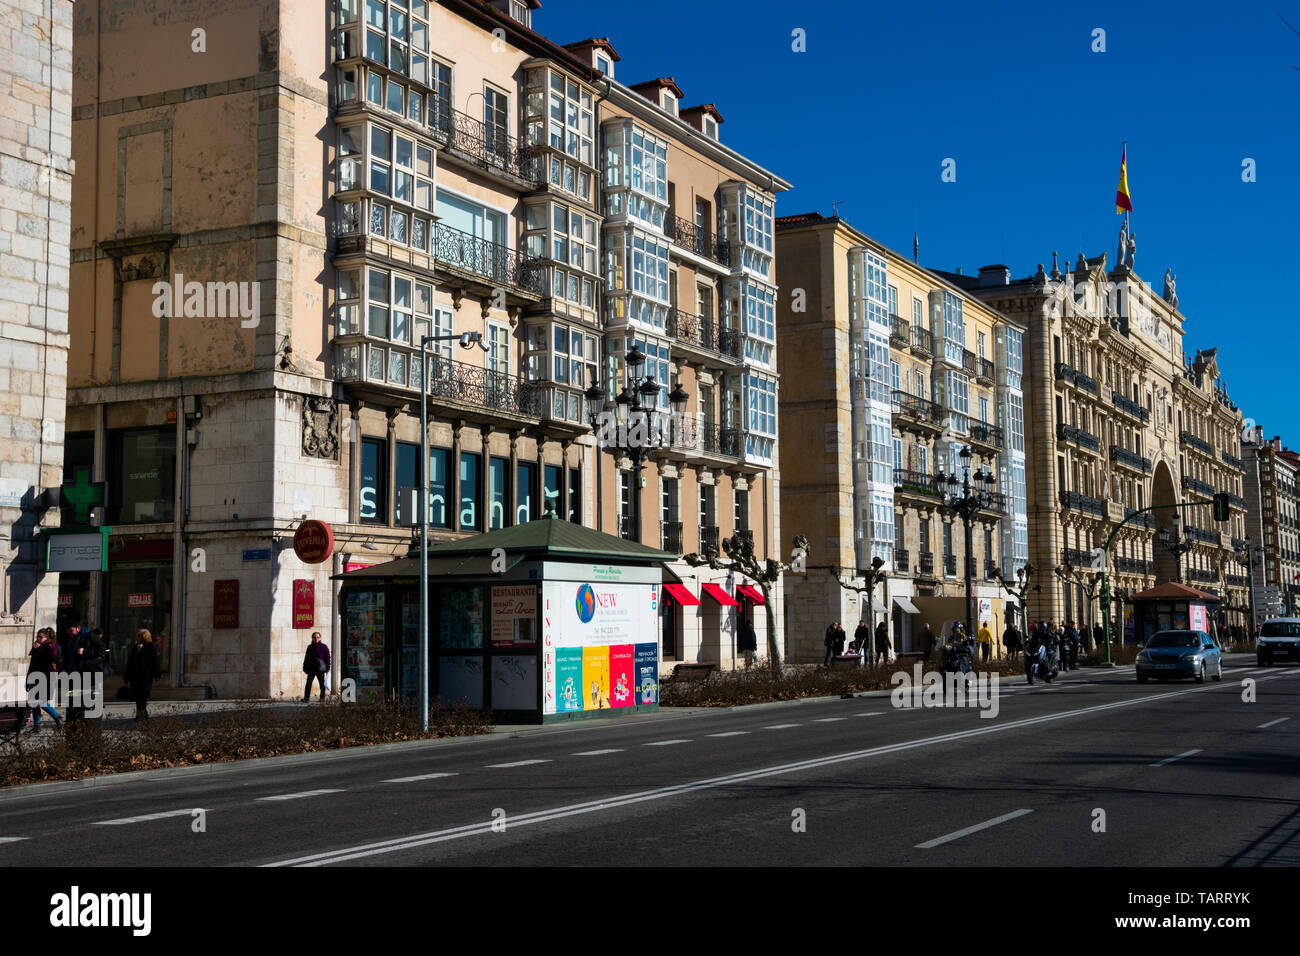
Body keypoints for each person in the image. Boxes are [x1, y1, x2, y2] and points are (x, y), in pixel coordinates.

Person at [17, 629, 62, 732]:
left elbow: (50, 658)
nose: (38, 639)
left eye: (41, 637)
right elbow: (33, 664)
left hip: (46, 677)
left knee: (41, 701)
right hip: (35, 677)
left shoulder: (51, 646)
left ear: (47, 638)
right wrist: (28, 680)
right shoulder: (37, 647)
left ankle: (57, 717)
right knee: (34, 702)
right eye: (37, 636)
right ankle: (37, 725)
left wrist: (38, 649)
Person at [122, 629, 162, 722]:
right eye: (137, 636)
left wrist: (157, 674)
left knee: (143, 696)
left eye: (139, 636)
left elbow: (155, 662)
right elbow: (130, 662)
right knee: (137, 696)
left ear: (144, 637)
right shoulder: (135, 647)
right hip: (135, 677)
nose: (137, 638)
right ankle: (140, 714)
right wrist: (126, 676)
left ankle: (142, 715)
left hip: (145, 677)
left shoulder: (150, 647)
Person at [302, 631, 331, 701]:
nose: (316, 639)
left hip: (320, 669)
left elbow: (327, 658)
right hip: (311, 669)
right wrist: (304, 667)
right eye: (314, 637)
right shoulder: (309, 647)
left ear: (320, 638)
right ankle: (306, 698)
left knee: (322, 684)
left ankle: (322, 698)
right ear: (312, 638)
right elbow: (306, 658)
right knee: (308, 684)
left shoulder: (324, 647)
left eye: (317, 637)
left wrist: (328, 667)